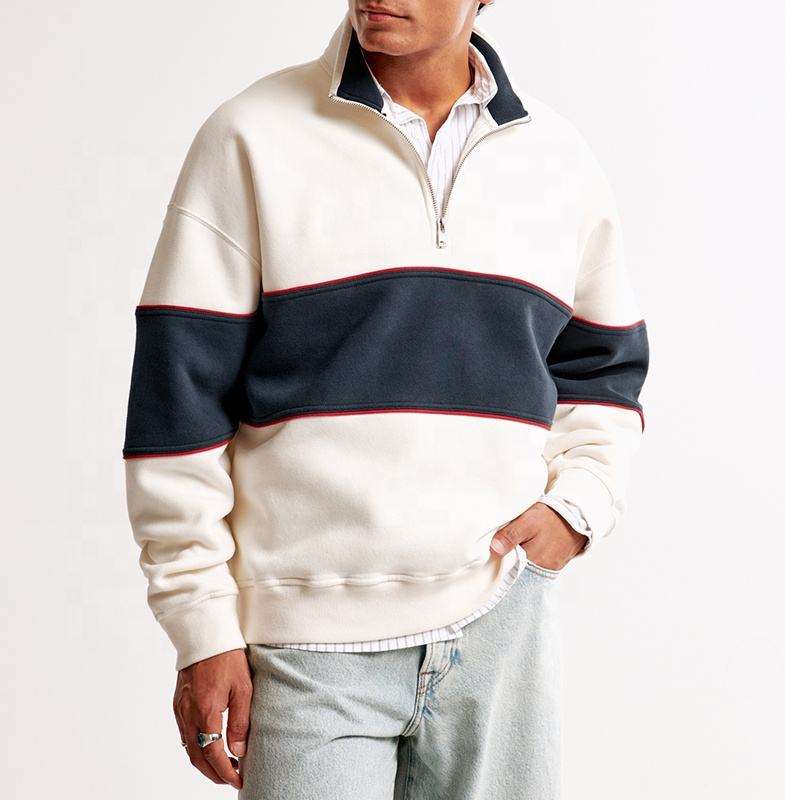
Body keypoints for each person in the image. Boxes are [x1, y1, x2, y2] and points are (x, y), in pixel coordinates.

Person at [123, 1, 649, 797]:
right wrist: (201, 627)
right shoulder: (252, 137)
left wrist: (579, 506)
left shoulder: (558, 161)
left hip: (500, 625)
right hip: (306, 643)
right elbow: (177, 403)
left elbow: (604, 366)